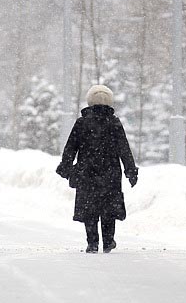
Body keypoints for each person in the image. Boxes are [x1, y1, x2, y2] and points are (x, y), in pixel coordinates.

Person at [56, 84, 138, 253]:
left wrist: (65, 166)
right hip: (110, 173)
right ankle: (108, 241)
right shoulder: (114, 123)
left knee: (89, 208)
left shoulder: (82, 123)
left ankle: (92, 242)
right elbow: (124, 148)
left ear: (89, 102)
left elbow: (71, 147)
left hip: (87, 172)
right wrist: (130, 170)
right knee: (108, 209)